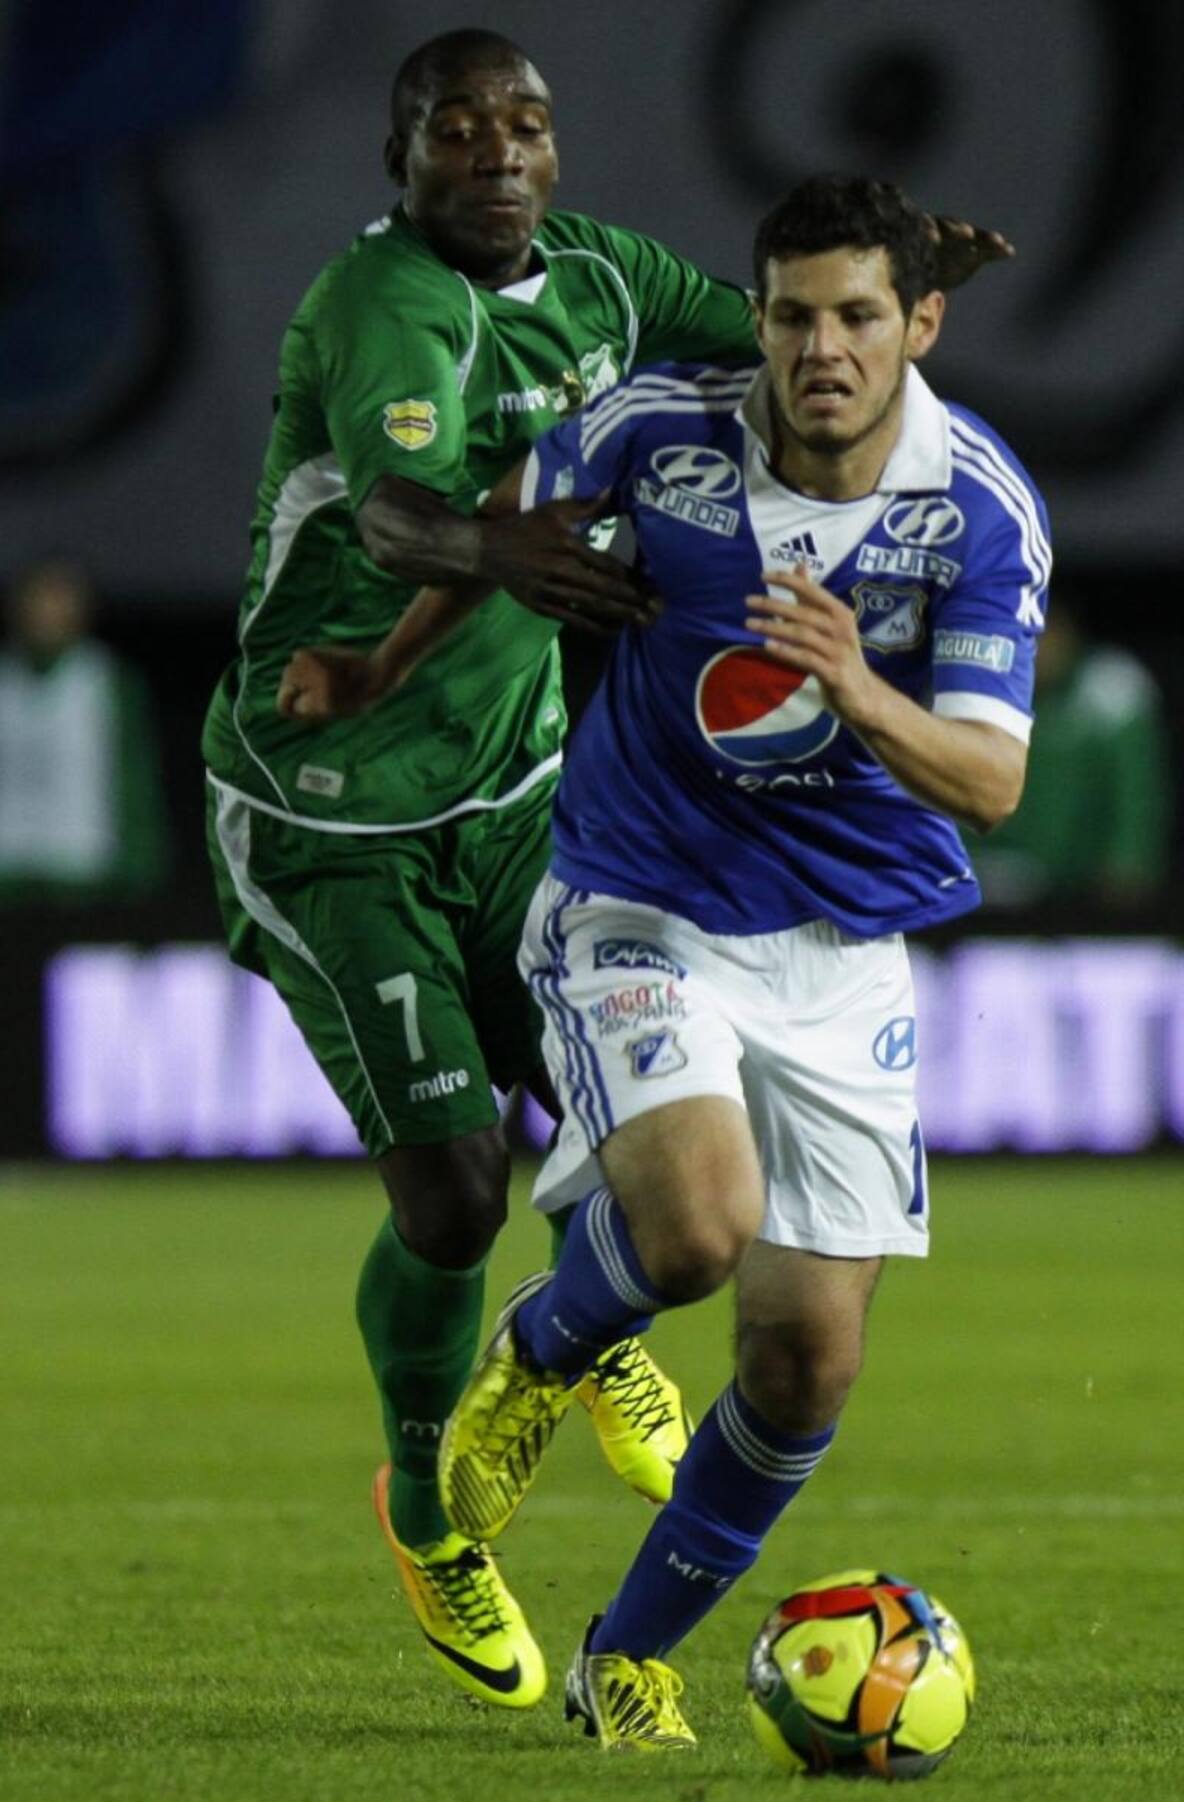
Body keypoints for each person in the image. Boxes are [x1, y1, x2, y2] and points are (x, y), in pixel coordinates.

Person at [202, 25, 1012, 1713]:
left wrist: (900, 263)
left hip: (519, 789)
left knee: (722, 1262)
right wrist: (477, 573)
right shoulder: (384, 313)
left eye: (525, 124)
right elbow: (408, 514)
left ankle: (596, 1404)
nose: (498, 154)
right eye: (456, 129)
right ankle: (436, 1495)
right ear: (399, 156)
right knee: (456, 1190)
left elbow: (799, 336)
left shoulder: (625, 289)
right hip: (335, 798)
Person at [417, 174, 1048, 1750]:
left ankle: (625, 1660)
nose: (819, 348)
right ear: (755, 317)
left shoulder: (975, 506)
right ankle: (547, 1346)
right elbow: (491, 523)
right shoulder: (657, 429)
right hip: (643, 902)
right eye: (790, 315)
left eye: (855, 315)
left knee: (802, 1363)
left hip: (843, 954)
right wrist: (472, 588)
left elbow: (989, 779)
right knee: (695, 1232)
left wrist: (858, 685)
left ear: (921, 324)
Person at [968, 595, 1171, 914]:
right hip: (996, 885)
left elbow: (1136, 796)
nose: (1038, 650)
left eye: (1045, 634)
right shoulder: (974, 690)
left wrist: (1129, 866)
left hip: (1088, 892)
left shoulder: (1113, 691)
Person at [0, 557, 169, 906]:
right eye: (37, 600)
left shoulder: (108, 681)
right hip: (0, 872)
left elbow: (134, 775)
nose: (46, 613)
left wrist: (141, 864)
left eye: (59, 600)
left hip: (83, 870)